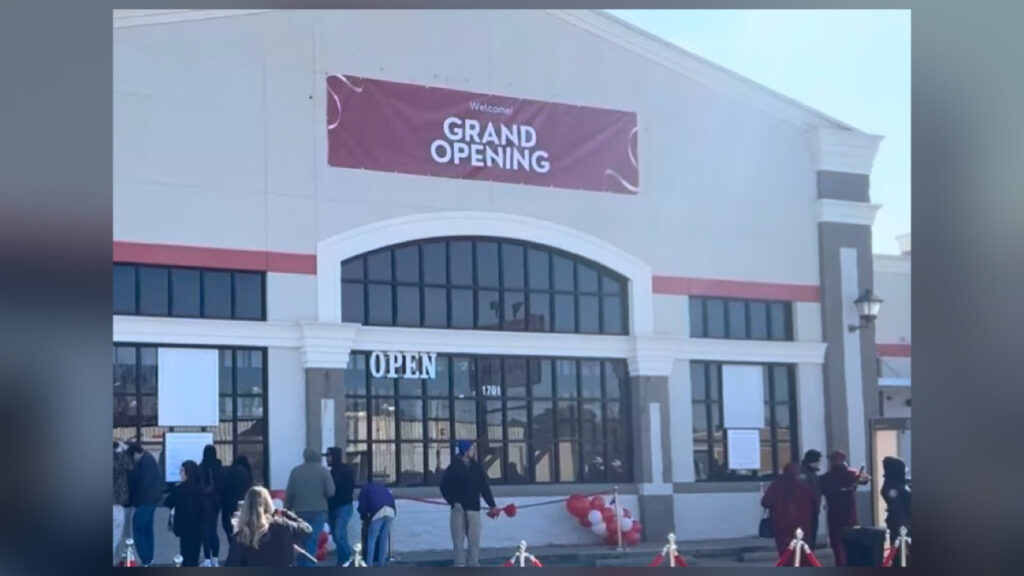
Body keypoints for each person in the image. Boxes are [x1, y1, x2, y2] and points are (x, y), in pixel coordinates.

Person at [440, 441, 498, 567]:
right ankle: (460, 564)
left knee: (474, 539)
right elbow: (444, 487)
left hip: (474, 508)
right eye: (472, 449)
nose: (474, 451)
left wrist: (492, 505)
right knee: (458, 540)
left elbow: (484, 487)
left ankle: (473, 563)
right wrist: (453, 502)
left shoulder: (476, 468)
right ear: (465, 452)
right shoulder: (453, 468)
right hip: (458, 509)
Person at [225, 486, 313, 567]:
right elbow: (307, 529)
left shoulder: (241, 537)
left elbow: (231, 564)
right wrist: (286, 513)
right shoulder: (283, 526)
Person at [285, 447, 336, 567]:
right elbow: (331, 492)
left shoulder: (295, 471)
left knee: (301, 543)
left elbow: (290, 493)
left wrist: (286, 509)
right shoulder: (323, 471)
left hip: (299, 511)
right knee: (312, 542)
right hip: (318, 511)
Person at [819, 450, 870, 566]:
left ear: (842, 460)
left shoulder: (851, 474)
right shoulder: (828, 477)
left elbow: (865, 480)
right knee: (838, 543)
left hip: (847, 514)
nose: (832, 462)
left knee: (846, 542)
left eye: (834, 459)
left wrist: (862, 479)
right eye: (831, 459)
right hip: (837, 514)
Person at [761, 462, 817, 557]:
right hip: (802, 524)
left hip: (781, 524)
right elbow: (814, 503)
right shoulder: (804, 486)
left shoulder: (777, 485)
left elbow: (766, 502)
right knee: (801, 552)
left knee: (785, 551)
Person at [165, 460, 207, 567]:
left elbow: (168, 502)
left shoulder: (181, 489)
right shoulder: (200, 488)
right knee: (194, 556)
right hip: (198, 527)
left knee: (186, 555)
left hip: (184, 527)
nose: (180, 473)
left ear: (188, 473)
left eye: (181, 471)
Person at [127, 443, 163, 567]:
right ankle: (149, 559)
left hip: (145, 501)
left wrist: (133, 500)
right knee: (147, 530)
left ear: (136, 454)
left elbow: (141, 483)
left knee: (138, 527)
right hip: (152, 501)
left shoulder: (144, 462)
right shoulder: (149, 459)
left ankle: (145, 559)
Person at [325, 447, 356, 566]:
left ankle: (350, 561)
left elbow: (348, 489)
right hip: (332, 508)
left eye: (329, 456)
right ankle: (342, 562)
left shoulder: (346, 470)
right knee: (339, 537)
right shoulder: (331, 472)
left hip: (344, 507)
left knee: (338, 536)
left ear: (335, 456)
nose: (327, 459)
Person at [358, 480, 396, 567]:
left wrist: (364, 517)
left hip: (378, 512)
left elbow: (362, 507)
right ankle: (381, 564)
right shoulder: (383, 488)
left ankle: (369, 564)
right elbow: (391, 501)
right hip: (390, 511)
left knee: (371, 539)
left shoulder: (365, 489)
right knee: (383, 540)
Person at [881, 456, 911, 564]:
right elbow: (897, 508)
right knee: (901, 555)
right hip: (901, 525)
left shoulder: (899, 483)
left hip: (904, 522)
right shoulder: (891, 486)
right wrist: (905, 526)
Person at [198, 445, 224, 566]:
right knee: (214, 531)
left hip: (205, 503)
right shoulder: (218, 467)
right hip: (216, 503)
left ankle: (207, 559)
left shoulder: (202, 467)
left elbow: (200, 487)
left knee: (206, 531)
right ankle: (216, 559)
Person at [219, 455, 254, 543]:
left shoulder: (230, 473)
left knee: (231, 533)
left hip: (229, 507)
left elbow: (223, 489)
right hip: (244, 507)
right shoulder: (248, 474)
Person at [799, 449, 823, 549]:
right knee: (808, 538)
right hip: (808, 511)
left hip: (811, 510)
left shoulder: (810, 473)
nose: (819, 463)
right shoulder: (805, 474)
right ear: (813, 461)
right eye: (818, 461)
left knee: (810, 537)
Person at [113, 441, 132, 563]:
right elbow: (129, 466)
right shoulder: (117, 461)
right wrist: (123, 451)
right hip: (116, 504)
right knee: (116, 535)